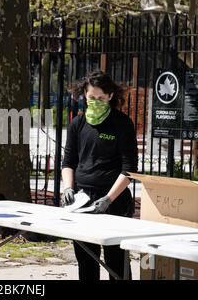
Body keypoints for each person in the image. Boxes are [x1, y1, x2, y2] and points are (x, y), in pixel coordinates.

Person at [61, 70, 138, 280]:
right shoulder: (77, 124)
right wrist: (68, 187)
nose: (95, 102)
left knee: (116, 262)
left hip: (113, 202)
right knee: (86, 261)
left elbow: (129, 170)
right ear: (84, 95)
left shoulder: (122, 124)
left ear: (111, 96)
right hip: (82, 201)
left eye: (101, 98)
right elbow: (68, 162)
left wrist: (108, 199)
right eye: (91, 98)